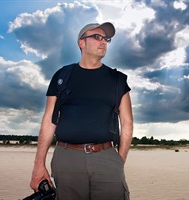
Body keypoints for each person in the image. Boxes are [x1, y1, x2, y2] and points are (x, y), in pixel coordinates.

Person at [29, 22, 133, 200]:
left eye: (106, 39)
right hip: (66, 158)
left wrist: (118, 161)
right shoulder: (62, 76)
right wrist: (39, 165)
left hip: (106, 157)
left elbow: (127, 123)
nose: (104, 42)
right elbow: (49, 121)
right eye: (97, 37)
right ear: (81, 43)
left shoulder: (117, 80)